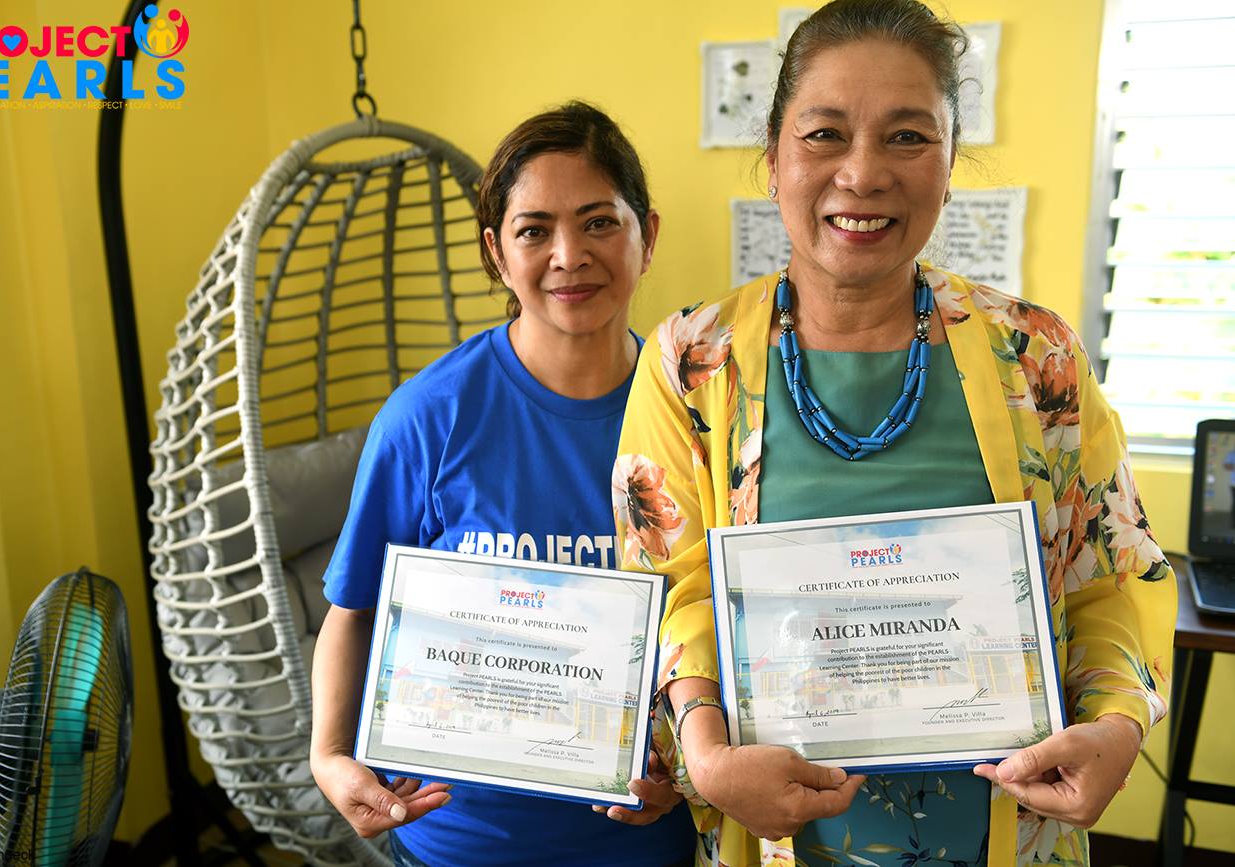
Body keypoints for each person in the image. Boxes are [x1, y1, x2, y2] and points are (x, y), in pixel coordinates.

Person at [612, 2, 1177, 865]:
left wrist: (1118, 724)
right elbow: (669, 591)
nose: (863, 173)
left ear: (949, 166)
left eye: (908, 137)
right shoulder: (692, 362)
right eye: (825, 135)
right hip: (781, 839)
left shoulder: (1037, 355)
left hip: (1006, 834)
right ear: (774, 159)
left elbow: (1111, 575)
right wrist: (706, 750)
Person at [311, 102, 696, 867]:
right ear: (496, 251)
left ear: (647, 235)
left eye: (598, 222)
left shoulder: (700, 417)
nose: (569, 255)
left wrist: (689, 773)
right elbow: (353, 611)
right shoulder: (428, 417)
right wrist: (328, 754)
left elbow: (721, 625)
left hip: (646, 846)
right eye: (533, 230)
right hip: (460, 844)